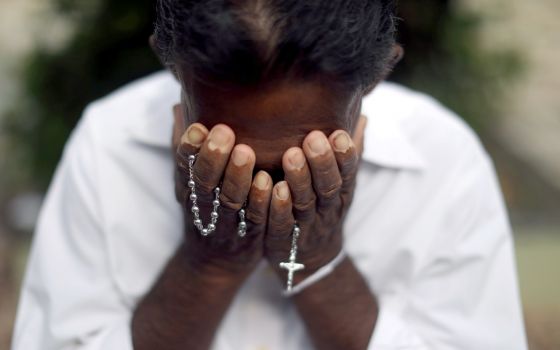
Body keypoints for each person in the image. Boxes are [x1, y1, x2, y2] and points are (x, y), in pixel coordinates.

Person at [12, 0, 527, 349]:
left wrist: (320, 258)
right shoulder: (109, 144)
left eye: (298, 161)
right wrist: (206, 262)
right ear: (173, 69)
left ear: (376, 77)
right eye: (228, 150)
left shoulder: (443, 159)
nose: (264, 192)